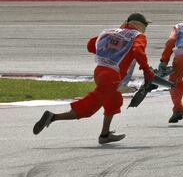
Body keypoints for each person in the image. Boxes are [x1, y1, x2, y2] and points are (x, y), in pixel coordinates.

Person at [33, 13, 155, 144]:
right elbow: (138, 51)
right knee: (89, 107)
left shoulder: (111, 32)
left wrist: (115, 43)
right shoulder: (139, 36)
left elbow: (91, 45)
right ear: (141, 25)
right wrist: (147, 73)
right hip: (112, 76)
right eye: (145, 25)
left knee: (114, 100)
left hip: (100, 71)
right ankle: (53, 117)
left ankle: (105, 134)